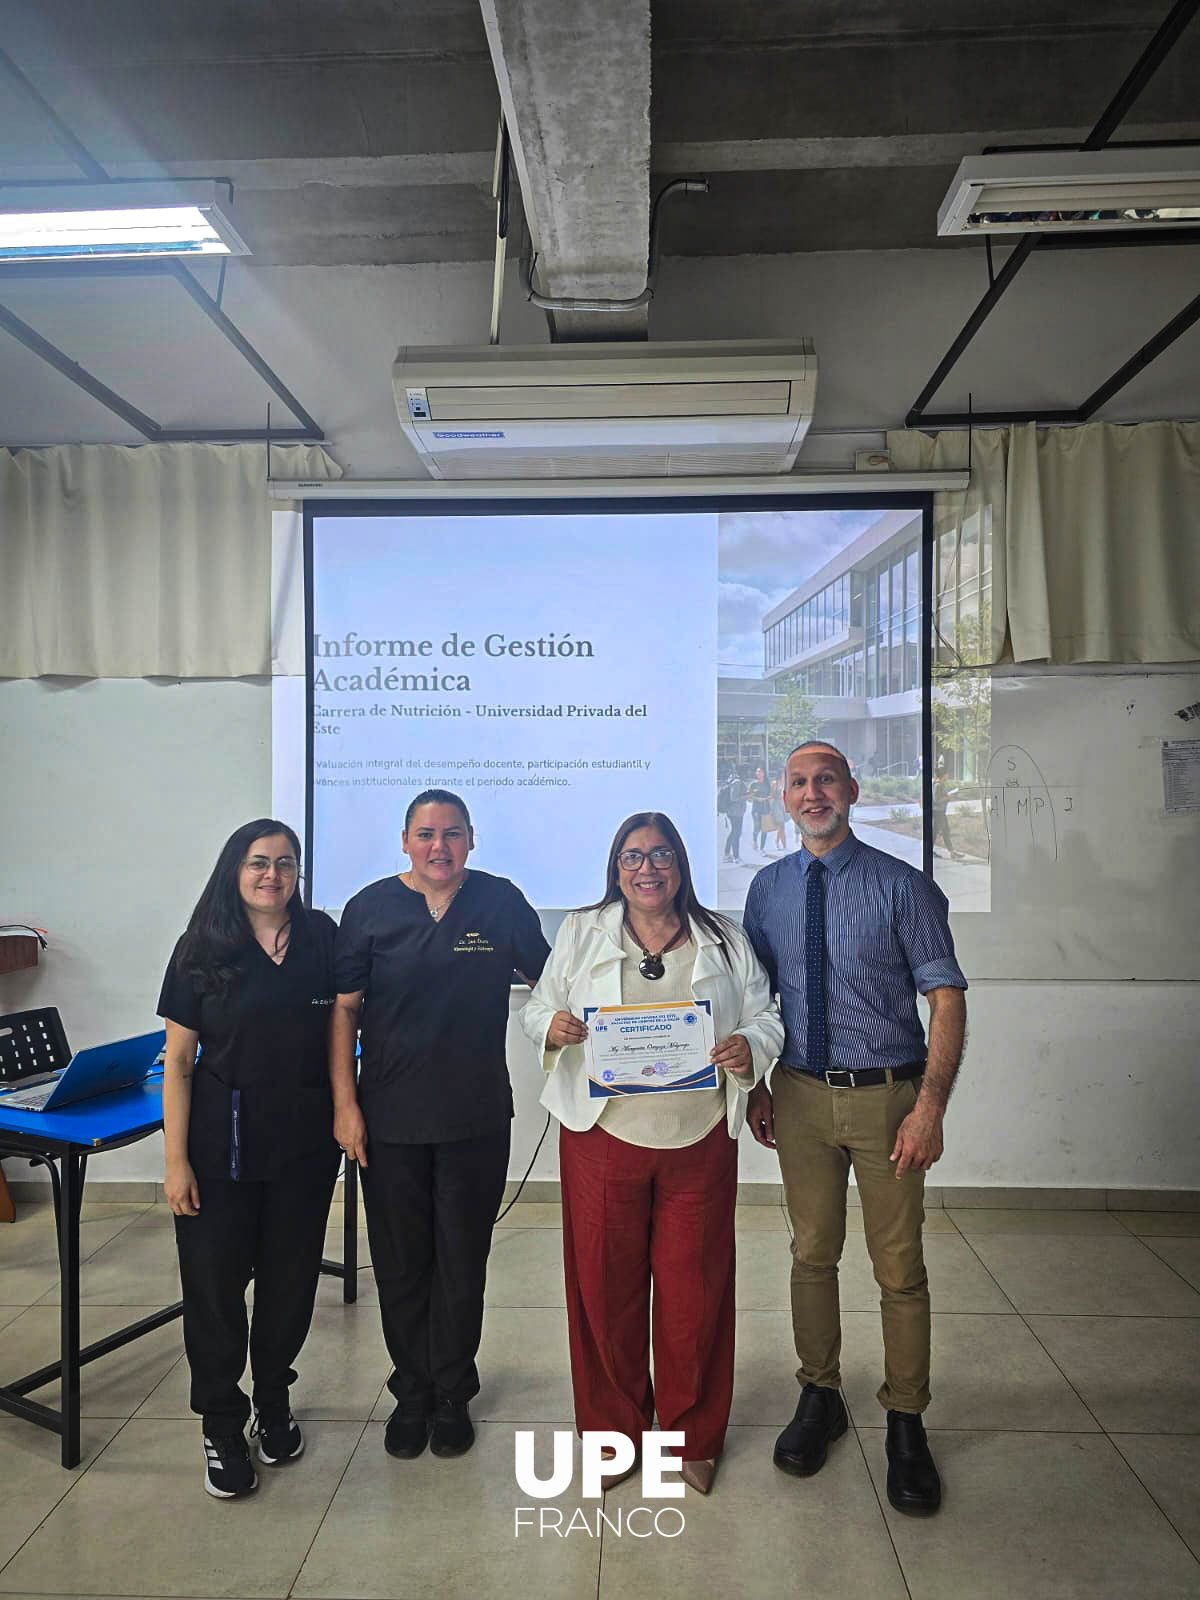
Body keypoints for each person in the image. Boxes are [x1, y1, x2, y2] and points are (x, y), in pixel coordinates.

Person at [521, 812, 783, 1496]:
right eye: (634, 856)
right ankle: (614, 1435)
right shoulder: (582, 931)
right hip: (603, 1136)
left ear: (681, 865)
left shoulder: (722, 937)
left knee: (695, 1293)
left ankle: (692, 1436)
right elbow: (537, 1005)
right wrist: (551, 1024)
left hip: (697, 1139)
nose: (647, 868)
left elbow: (766, 1012)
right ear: (616, 867)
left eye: (661, 855)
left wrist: (749, 1048)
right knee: (604, 1292)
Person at [743, 741, 967, 1516]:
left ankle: (905, 1417)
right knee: (811, 1254)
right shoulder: (767, 890)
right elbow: (760, 1003)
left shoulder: (903, 887)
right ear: (784, 794)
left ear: (852, 791)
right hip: (798, 1097)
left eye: (826, 780)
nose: (813, 794)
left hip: (889, 1101)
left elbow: (945, 997)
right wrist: (758, 1086)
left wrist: (930, 1105)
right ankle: (822, 1396)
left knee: (899, 1267)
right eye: (800, 782)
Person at [331, 790, 549, 1462]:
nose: (439, 847)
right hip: (390, 1118)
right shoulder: (368, 910)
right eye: (426, 834)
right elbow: (342, 1012)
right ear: (405, 841)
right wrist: (345, 1106)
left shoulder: (500, 901)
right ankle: (412, 1389)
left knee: (462, 1259)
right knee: (400, 1264)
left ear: (471, 840)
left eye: (452, 834)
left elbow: (555, 983)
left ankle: (454, 1390)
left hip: (475, 1116)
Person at [159, 818, 339, 1500]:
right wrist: (175, 1164)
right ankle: (222, 1424)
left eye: (285, 863)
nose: (273, 875)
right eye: (259, 863)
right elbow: (178, 1063)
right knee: (214, 1291)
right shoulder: (201, 947)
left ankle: (272, 1400)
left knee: (290, 1286)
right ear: (235, 871)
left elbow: (343, 1023)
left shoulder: (321, 937)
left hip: (302, 1146)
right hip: (216, 1149)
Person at [933, 761, 964, 860]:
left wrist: (948, 796)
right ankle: (951, 852)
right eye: (947, 774)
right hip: (938, 812)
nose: (948, 775)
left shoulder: (940, 784)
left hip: (940, 812)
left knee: (944, 831)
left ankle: (952, 852)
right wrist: (948, 797)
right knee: (938, 832)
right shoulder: (938, 785)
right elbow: (936, 800)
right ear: (943, 775)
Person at [718, 764, 747, 864]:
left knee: (734, 832)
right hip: (735, 812)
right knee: (736, 833)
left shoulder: (733, 780)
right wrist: (746, 796)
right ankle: (735, 856)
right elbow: (734, 798)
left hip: (735, 812)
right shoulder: (737, 782)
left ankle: (727, 854)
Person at [748, 764, 770, 853]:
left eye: (760, 771)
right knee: (757, 827)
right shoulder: (753, 784)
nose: (758, 773)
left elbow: (771, 795)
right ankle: (754, 840)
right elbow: (749, 797)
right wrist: (757, 799)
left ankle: (762, 848)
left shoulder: (767, 784)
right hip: (756, 809)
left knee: (764, 828)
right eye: (757, 771)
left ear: (764, 773)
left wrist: (767, 799)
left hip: (765, 808)